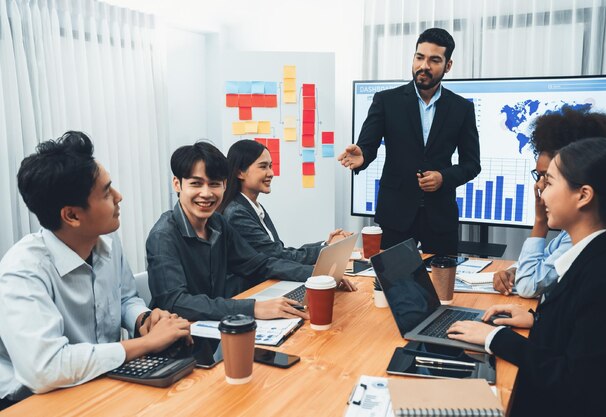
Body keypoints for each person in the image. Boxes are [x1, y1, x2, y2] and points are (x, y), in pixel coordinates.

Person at [0, 132, 190, 408]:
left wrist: (144, 319)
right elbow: (45, 369)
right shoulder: (22, 272)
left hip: (102, 380)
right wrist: (147, 344)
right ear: (72, 216)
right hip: (32, 401)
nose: (119, 197)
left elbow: (126, 298)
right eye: (107, 192)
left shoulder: (107, 239)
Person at [448, 137, 606, 416]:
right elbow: (582, 332)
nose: (541, 195)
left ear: (583, 195)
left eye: (550, 183)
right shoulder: (599, 253)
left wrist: (496, 338)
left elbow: (577, 382)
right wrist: (537, 320)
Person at [338, 27, 480, 255]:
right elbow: (367, 146)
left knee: (442, 288)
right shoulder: (387, 101)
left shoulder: (462, 108)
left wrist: (444, 177)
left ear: (448, 66)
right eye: (419, 57)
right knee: (393, 285)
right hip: (395, 214)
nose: (424, 66)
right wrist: (362, 155)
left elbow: (472, 164)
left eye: (434, 60)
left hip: (441, 217)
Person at [146, 141, 314, 323]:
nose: (206, 193)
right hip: (179, 341)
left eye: (214, 184)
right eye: (196, 184)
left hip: (215, 329)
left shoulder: (217, 224)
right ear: (177, 184)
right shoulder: (163, 236)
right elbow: (176, 302)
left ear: (225, 185)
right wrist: (253, 308)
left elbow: (258, 265)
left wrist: (315, 275)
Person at [493, 110, 606, 297]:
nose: (540, 188)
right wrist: (514, 271)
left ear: (583, 194)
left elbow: (529, 286)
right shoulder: (575, 236)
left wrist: (540, 222)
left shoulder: (595, 257)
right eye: (539, 176)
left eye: (549, 179)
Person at [219, 139, 356, 293]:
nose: (271, 173)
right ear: (239, 172)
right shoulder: (237, 213)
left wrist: (325, 245)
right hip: (251, 291)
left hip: (267, 284)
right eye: (263, 166)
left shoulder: (252, 206)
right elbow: (276, 255)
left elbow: (277, 250)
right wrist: (321, 269)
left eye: (270, 166)